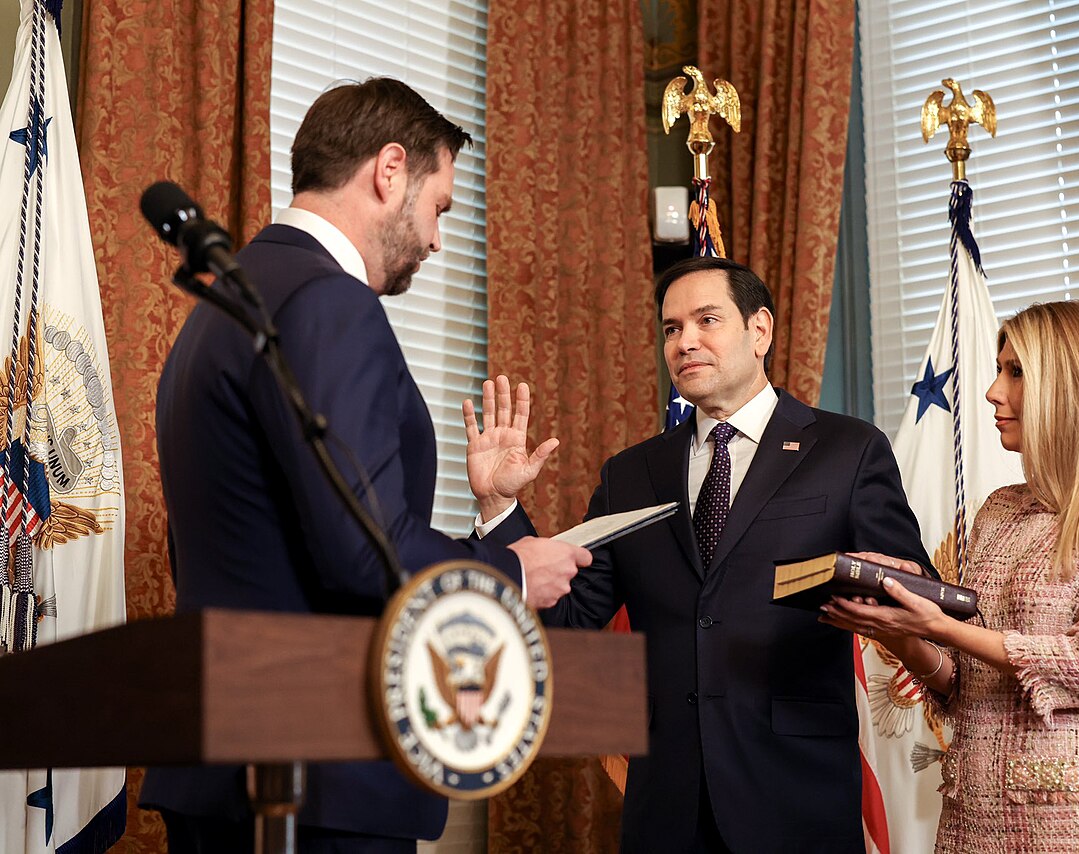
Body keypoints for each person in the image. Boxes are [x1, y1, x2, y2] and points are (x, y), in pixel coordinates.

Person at [139, 78, 591, 853]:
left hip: (222, 757)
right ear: (389, 170)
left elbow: (268, 538)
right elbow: (360, 549)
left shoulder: (221, 310)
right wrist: (508, 570)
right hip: (317, 779)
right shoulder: (329, 302)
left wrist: (484, 510)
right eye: (439, 207)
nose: (438, 240)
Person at [464, 255, 933, 853]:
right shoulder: (632, 473)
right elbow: (567, 617)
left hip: (796, 797)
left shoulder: (847, 450)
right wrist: (499, 509)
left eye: (707, 321)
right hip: (667, 803)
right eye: (671, 329)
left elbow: (915, 590)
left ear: (758, 330)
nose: (685, 342)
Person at [821, 300, 1079, 853]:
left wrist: (943, 627)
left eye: (1016, 371)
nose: (993, 391)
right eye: (999, 369)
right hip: (972, 820)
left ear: (1072, 383)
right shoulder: (998, 509)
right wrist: (901, 632)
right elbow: (964, 684)